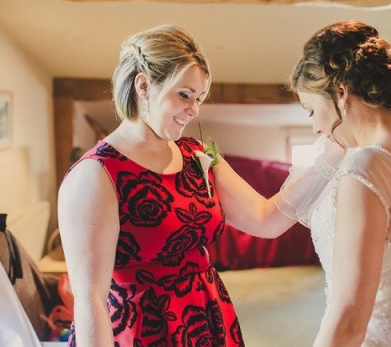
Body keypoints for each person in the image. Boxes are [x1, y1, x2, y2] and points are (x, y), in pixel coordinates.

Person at [59, 25, 343, 346]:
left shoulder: (196, 153)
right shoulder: (95, 175)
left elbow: (266, 219)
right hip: (143, 332)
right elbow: (90, 300)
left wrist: (334, 153)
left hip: (207, 320)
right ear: (143, 86)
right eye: (184, 95)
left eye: (199, 98)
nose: (194, 110)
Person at [285, 20, 391, 346]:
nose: (316, 127)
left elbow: (348, 322)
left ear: (341, 94)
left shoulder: (366, 166)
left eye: (311, 110)